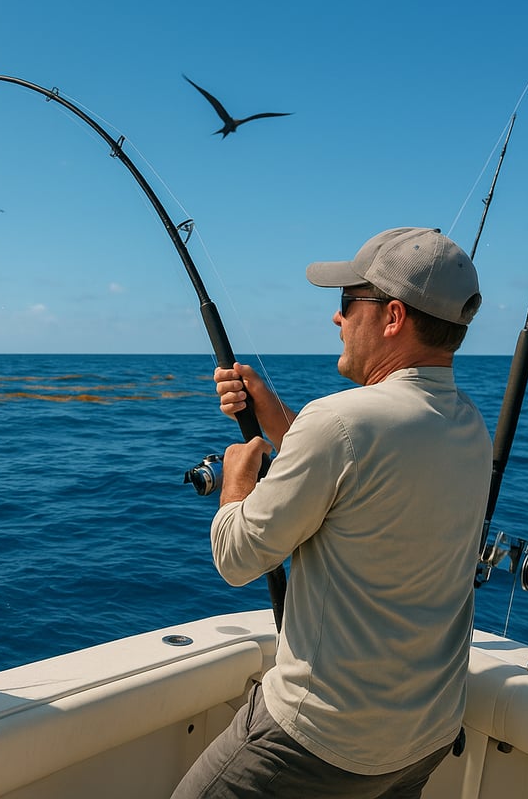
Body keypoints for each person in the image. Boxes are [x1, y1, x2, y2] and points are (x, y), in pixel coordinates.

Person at [172, 227, 492, 799]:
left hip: (316, 741)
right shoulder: (468, 425)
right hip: (424, 738)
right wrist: (275, 419)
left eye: (347, 303)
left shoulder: (338, 423)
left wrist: (237, 482)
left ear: (392, 316)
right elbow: (359, 486)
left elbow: (237, 557)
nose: (337, 319)